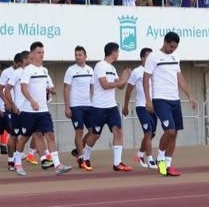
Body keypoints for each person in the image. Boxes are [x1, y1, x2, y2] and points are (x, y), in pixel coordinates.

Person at [143, 31, 198, 177]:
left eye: (175, 47)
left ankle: (167, 165)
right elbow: (146, 79)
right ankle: (160, 157)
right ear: (165, 42)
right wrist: (148, 100)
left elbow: (179, 78)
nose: (172, 49)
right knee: (170, 131)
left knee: (175, 134)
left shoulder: (175, 57)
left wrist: (190, 96)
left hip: (175, 99)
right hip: (160, 99)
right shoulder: (153, 57)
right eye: (171, 46)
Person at [13, 42, 71, 177]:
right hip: (29, 111)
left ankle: (58, 165)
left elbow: (51, 87)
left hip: (43, 111)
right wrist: (32, 101)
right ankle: (17, 164)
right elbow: (23, 88)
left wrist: (52, 90)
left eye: (43, 53)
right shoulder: (28, 70)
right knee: (24, 138)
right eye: (39, 52)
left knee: (50, 135)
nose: (41, 55)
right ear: (32, 54)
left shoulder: (44, 71)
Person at [88, 42, 132, 172]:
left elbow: (120, 86)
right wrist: (122, 81)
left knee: (117, 131)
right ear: (113, 52)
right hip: (99, 107)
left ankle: (117, 163)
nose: (118, 54)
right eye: (117, 52)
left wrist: (124, 77)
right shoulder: (100, 66)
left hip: (111, 106)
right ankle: (84, 156)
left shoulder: (112, 68)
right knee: (95, 135)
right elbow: (105, 85)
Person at [123, 47, 157, 169]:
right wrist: (125, 105)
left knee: (152, 134)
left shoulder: (155, 70)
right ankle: (150, 160)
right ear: (142, 58)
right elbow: (128, 90)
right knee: (147, 133)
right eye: (147, 57)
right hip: (141, 107)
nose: (150, 59)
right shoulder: (137, 72)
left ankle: (140, 154)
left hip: (154, 107)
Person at [63, 45, 95, 171]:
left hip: (89, 105)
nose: (77, 57)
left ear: (85, 56)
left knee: (93, 131)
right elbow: (66, 88)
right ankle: (81, 158)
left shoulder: (90, 70)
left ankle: (78, 150)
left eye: (80, 55)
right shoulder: (71, 70)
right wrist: (67, 106)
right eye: (76, 55)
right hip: (75, 106)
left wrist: (95, 102)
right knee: (79, 131)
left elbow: (93, 87)